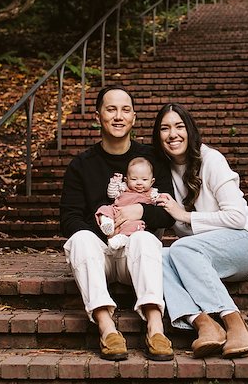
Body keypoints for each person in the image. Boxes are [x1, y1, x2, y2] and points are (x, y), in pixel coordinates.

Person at [59, 85, 175, 361]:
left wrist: (139, 212)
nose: (118, 116)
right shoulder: (81, 165)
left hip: (132, 255)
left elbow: (168, 213)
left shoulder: (152, 159)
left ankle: (155, 327)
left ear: (134, 117)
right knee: (79, 238)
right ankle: (106, 327)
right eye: (111, 109)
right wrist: (102, 233)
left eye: (125, 110)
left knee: (147, 239)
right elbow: (69, 219)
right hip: (97, 254)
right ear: (98, 116)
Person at [152, 103, 248, 359]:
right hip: (198, 255)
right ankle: (204, 324)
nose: (173, 134)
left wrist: (185, 216)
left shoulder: (211, 159)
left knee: (182, 247)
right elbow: (158, 223)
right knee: (156, 255)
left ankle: (235, 323)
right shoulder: (162, 172)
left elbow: (237, 217)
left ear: (190, 130)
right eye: (165, 128)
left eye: (179, 126)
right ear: (157, 136)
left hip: (245, 244)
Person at [96, 156, 160, 250]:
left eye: (144, 179)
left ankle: (122, 239)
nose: (139, 183)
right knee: (104, 209)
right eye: (134, 179)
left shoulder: (151, 193)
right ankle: (107, 223)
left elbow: (158, 203)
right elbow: (111, 194)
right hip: (117, 211)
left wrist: (159, 198)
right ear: (126, 180)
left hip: (133, 219)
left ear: (152, 181)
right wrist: (115, 182)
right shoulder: (124, 187)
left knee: (135, 226)